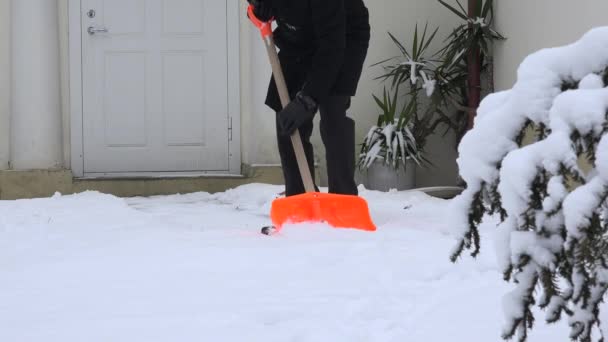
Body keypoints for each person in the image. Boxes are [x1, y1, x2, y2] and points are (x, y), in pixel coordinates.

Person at [248, 0, 371, 197]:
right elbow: (258, 9)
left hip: (343, 37)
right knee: (287, 115)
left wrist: (307, 99)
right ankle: (300, 195)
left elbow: (332, 47)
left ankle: (343, 197)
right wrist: (260, 8)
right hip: (299, 39)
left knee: (333, 112)